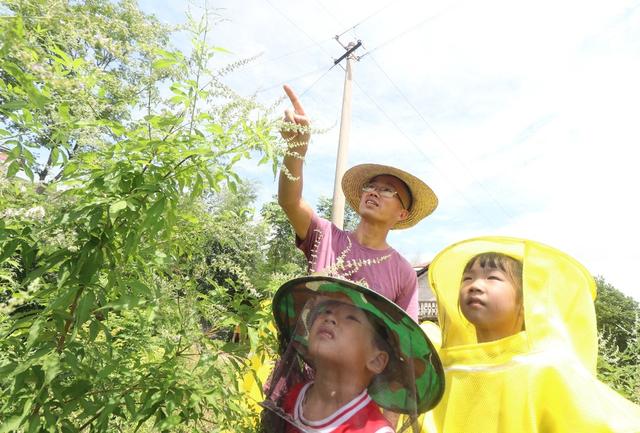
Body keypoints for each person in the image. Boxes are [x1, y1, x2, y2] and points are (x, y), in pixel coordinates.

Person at [421, 236, 640, 432]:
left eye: (493, 277)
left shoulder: (548, 369)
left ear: (527, 301)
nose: (475, 285)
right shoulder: (447, 371)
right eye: (467, 278)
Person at [278, 85, 438, 320]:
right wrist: (296, 148)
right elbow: (289, 201)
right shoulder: (325, 237)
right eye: (370, 187)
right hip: (303, 357)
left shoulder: (403, 273)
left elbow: (404, 342)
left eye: (386, 190)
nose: (374, 192)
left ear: (402, 214)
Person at [261, 275, 445, 433]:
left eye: (350, 318)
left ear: (376, 360)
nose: (329, 318)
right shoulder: (293, 397)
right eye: (325, 311)